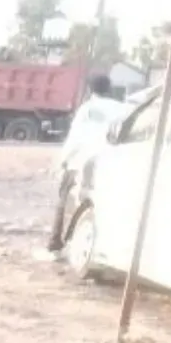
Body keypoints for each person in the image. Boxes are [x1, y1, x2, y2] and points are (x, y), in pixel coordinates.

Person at [47, 73, 124, 256]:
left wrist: (62, 160)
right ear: (109, 89)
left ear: (90, 90)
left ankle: (56, 246)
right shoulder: (120, 109)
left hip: (79, 162)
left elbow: (76, 138)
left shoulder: (86, 109)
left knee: (64, 202)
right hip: (107, 163)